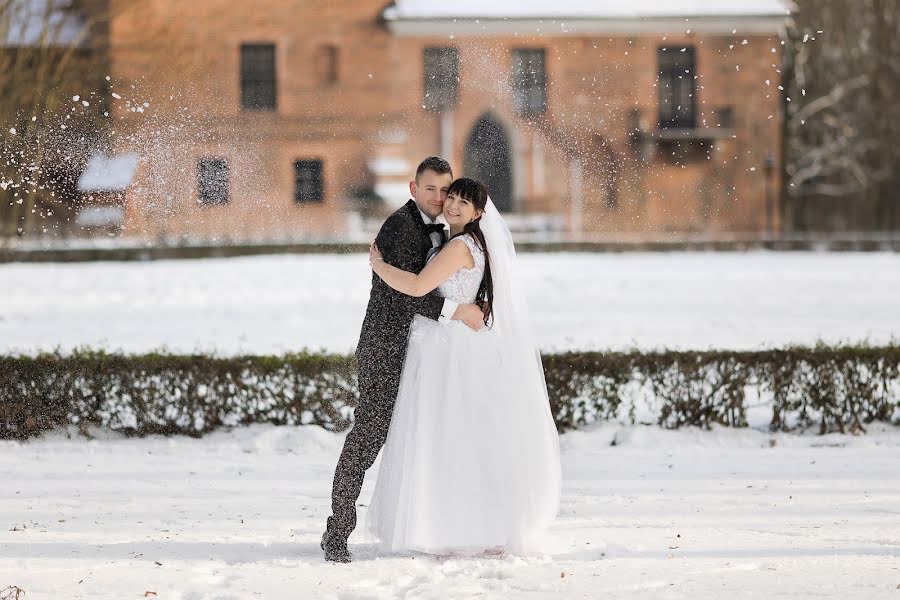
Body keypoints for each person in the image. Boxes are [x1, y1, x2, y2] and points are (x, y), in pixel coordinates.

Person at [366, 177, 561, 556]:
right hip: (450, 344)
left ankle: (454, 525)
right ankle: (461, 523)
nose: (452, 205)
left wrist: (379, 265)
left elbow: (420, 287)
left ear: (478, 213)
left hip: (449, 349)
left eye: (462, 202)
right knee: (457, 436)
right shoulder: (470, 243)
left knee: (446, 436)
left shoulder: (459, 246)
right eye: (450, 197)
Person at [321, 157, 485, 563]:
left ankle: (436, 526)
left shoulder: (446, 231)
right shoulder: (399, 228)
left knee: (425, 440)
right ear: (413, 189)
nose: (439, 197)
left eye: (445, 190)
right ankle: (337, 531)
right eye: (430, 189)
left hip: (416, 349)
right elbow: (402, 295)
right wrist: (456, 311)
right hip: (384, 345)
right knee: (368, 437)